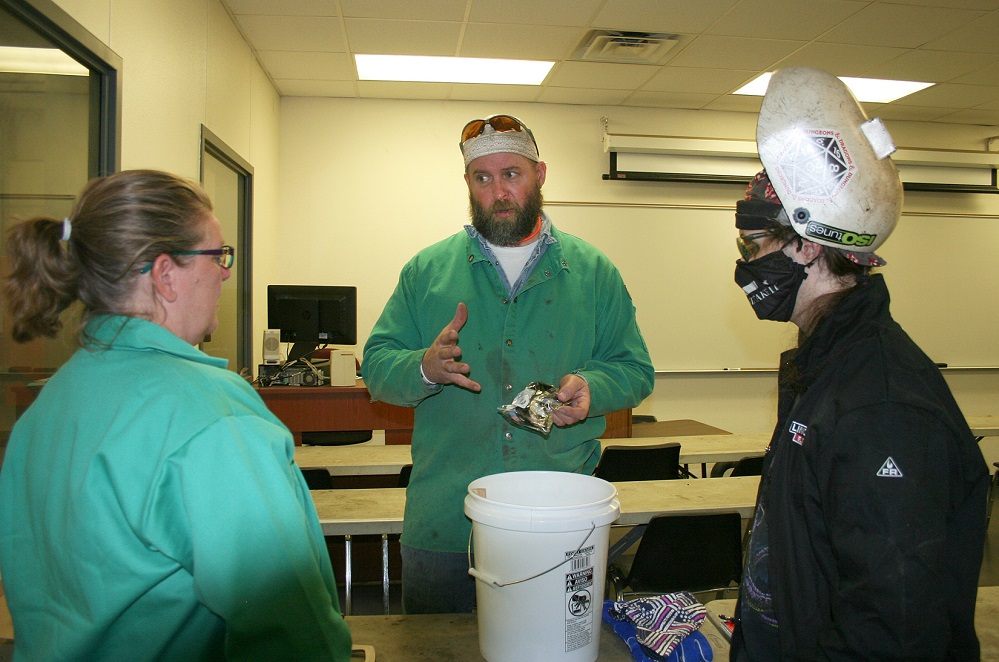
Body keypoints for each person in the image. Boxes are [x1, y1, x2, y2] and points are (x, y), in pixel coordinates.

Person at [0, 170, 353, 660]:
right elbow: (292, 636)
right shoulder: (212, 416)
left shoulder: (47, 409)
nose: (226, 272)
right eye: (219, 256)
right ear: (166, 275)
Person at [729, 68, 988, 660]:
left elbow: (891, 629)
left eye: (754, 244)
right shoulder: (825, 370)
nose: (745, 261)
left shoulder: (882, 407)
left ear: (808, 244)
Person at [362, 114, 655, 614]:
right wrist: (425, 369)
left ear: (540, 175)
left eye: (512, 175)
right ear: (468, 184)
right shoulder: (426, 272)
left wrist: (592, 385)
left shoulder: (593, 272)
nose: (498, 191)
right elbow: (377, 365)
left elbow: (635, 368)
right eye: (483, 178)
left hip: (558, 520)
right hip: (446, 523)